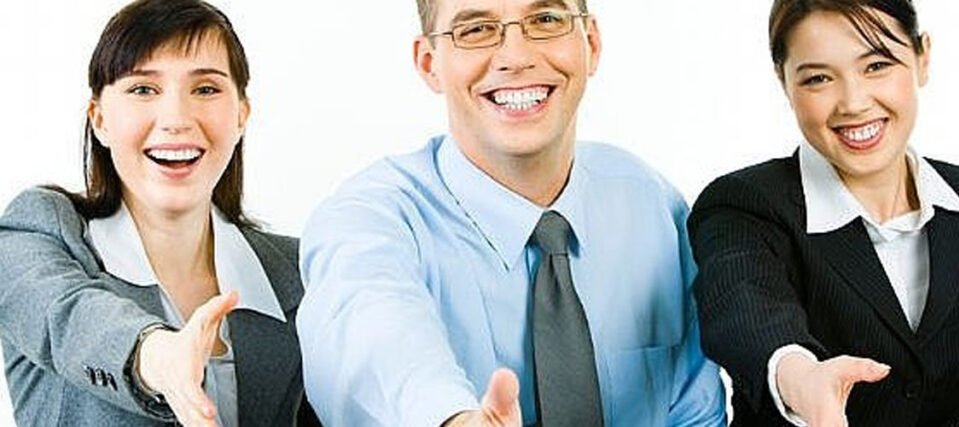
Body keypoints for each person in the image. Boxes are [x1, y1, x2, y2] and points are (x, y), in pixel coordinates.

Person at [296, 0, 727, 425]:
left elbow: (694, 412)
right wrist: (452, 419)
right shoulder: (367, 219)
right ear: (429, 63)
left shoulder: (649, 205)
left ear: (591, 43)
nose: (516, 57)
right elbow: (373, 327)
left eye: (545, 19)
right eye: (476, 29)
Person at [687, 0, 959, 425]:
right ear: (784, 82)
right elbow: (745, 311)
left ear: (923, 58)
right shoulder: (743, 205)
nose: (853, 102)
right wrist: (802, 378)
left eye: (877, 65)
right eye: (818, 78)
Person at [0, 0, 318, 426]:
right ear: (99, 119)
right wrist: (157, 357)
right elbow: (67, 318)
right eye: (143, 89)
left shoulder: (300, 273)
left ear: (241, 114)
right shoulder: (37, 231)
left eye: (205, 89)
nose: (176, 119)